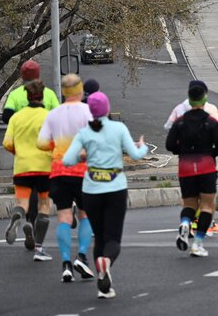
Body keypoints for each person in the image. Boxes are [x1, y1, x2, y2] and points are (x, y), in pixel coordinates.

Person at [62, 92, 148, 299]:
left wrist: (83, 156)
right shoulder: (119, 129)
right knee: (113, 239)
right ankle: (106, 262)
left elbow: (67, 160)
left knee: (99, 236)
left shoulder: (84, 133)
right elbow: (135, 155)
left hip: (91, 191)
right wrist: (142, 145)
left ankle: (104, 287)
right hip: (115, 189)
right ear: (108, 109)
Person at [36, 74, 96, 281]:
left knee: (63, 216)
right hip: (82, 170)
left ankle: (65, 264)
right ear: (80, 91)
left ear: (63, 92)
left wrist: (58, 146)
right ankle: (81, 257)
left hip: (59, 170)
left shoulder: (53, 115)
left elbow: (42, 143)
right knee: (85, 215)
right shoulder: (88, 112)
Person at [166, 83, 218, 257]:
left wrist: (181, 152)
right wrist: (210, 153)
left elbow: (169, 145)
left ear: (189, 99)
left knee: (190, 204)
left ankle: (185, 223)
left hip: (185, 166)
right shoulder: (210, 121)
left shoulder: (180, 122)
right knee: (207, 206)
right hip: (206, 165)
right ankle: (198, 243)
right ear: (204, 98)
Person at [3, 80, 53, 261]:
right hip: (43, 167)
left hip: (22, 167)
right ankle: (39, 248)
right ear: (42, 96)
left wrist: (20, 152)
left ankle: (18, 214)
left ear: (27, 96)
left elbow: (7, 143)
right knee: (43, 205)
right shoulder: (48, 117)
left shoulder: (16, 117)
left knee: (23, 203)